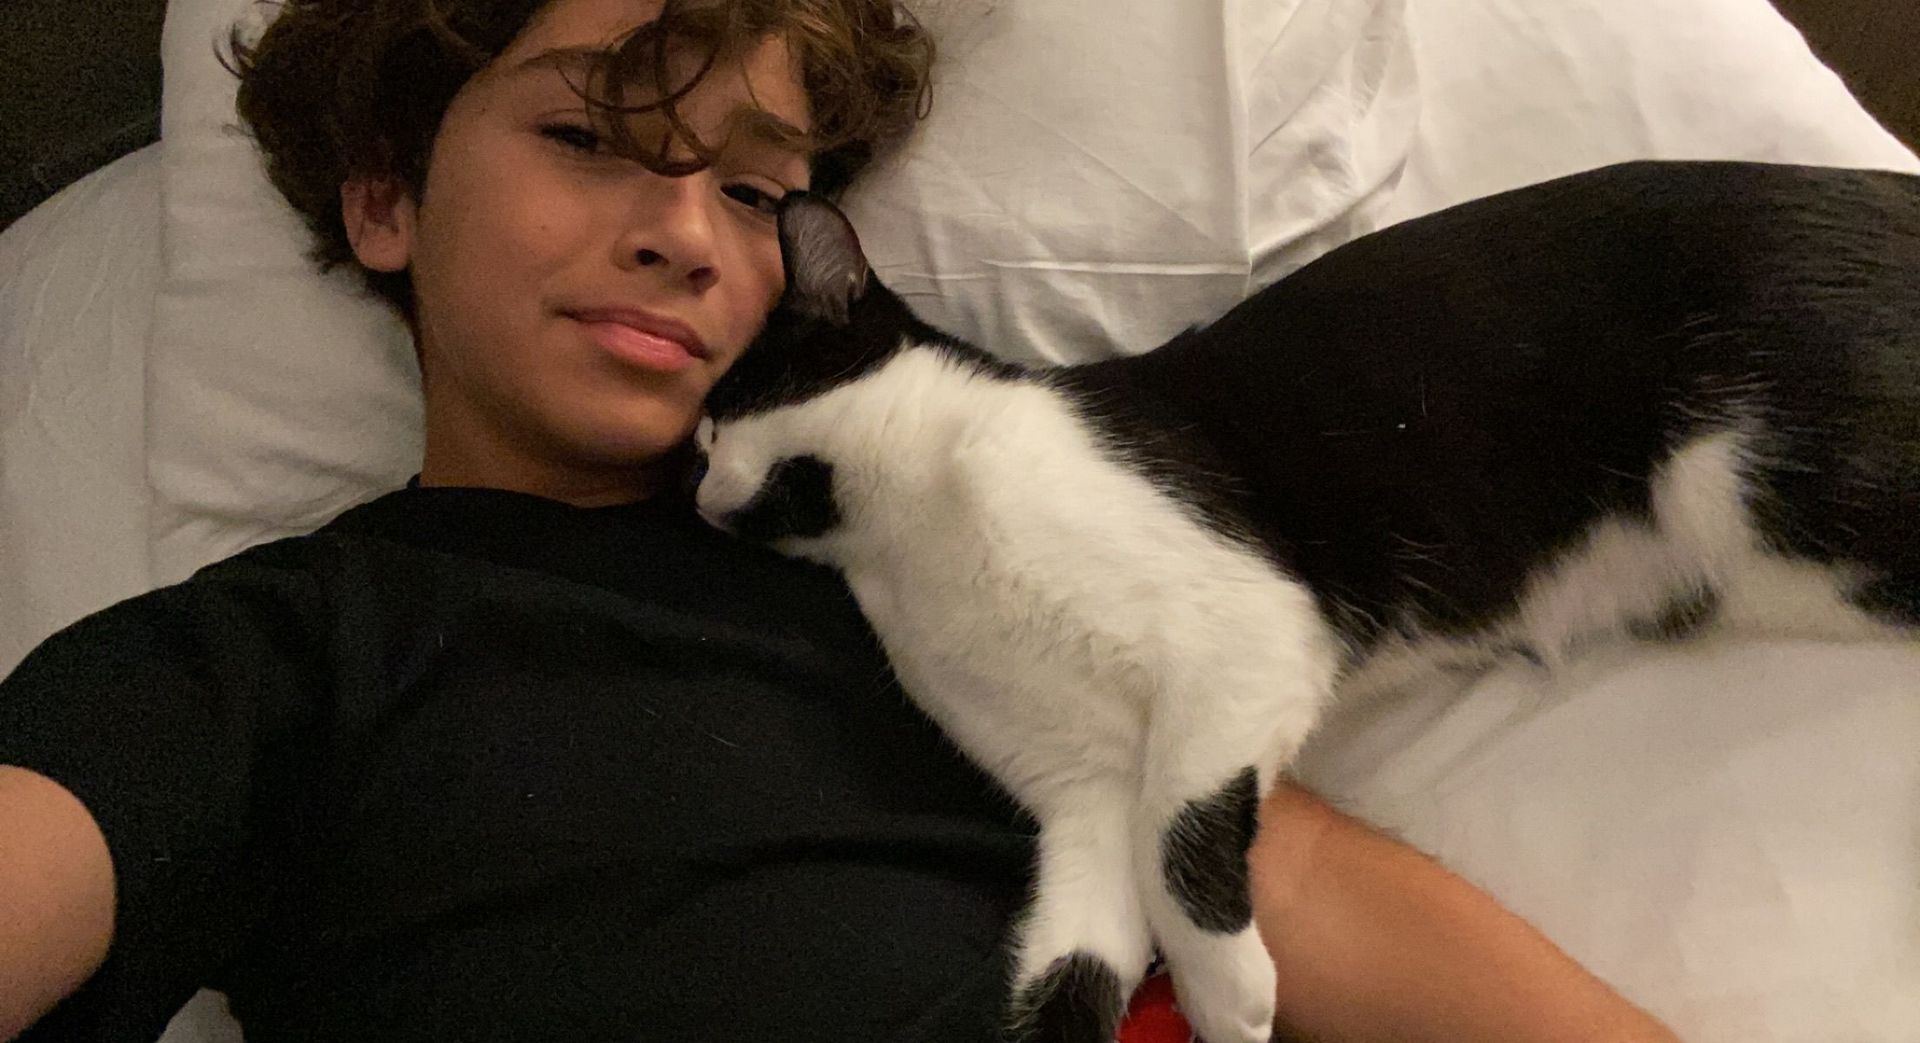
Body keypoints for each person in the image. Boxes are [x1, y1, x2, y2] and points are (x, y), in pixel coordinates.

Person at [0, 0, 1682, 1040]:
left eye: (753, 185)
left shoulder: (928, 552)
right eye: (591, 136)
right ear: (386, 198)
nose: (683, 230)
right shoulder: (265, 658)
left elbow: (1260, 859)